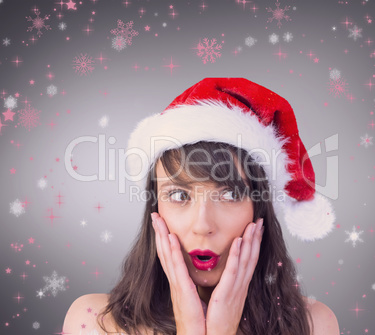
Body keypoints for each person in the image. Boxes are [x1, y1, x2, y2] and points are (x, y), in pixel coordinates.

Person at [63, 78, 340, 335]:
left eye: (230, 195)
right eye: (180, 196)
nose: (203, 226)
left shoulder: (313, 324)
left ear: (260, 209)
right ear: (155, 209)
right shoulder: (95, 321)